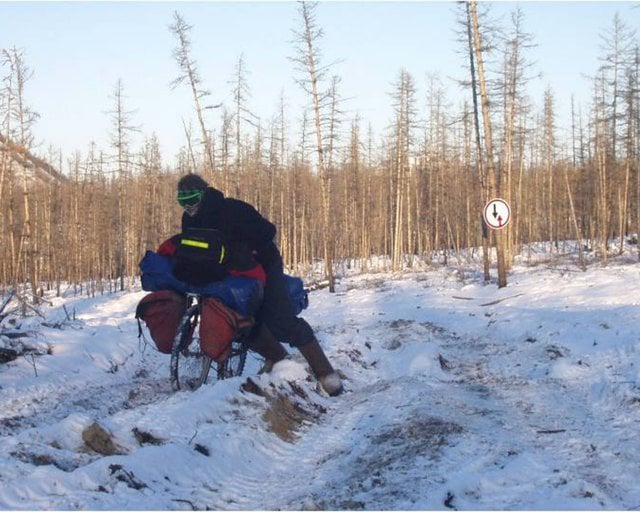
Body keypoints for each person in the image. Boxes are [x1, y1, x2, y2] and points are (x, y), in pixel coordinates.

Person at [173, 173, 343, 396]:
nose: (188, 206)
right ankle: (280, 361)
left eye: (192, 199)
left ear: (203, 194)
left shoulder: (232, 210)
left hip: (263, 264)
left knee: (281, 321)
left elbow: (267, 231)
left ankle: (327, 375)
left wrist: (246, 249)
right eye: (183, 201)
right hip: (224, 272)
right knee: (240, 323)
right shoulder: (189, 219)